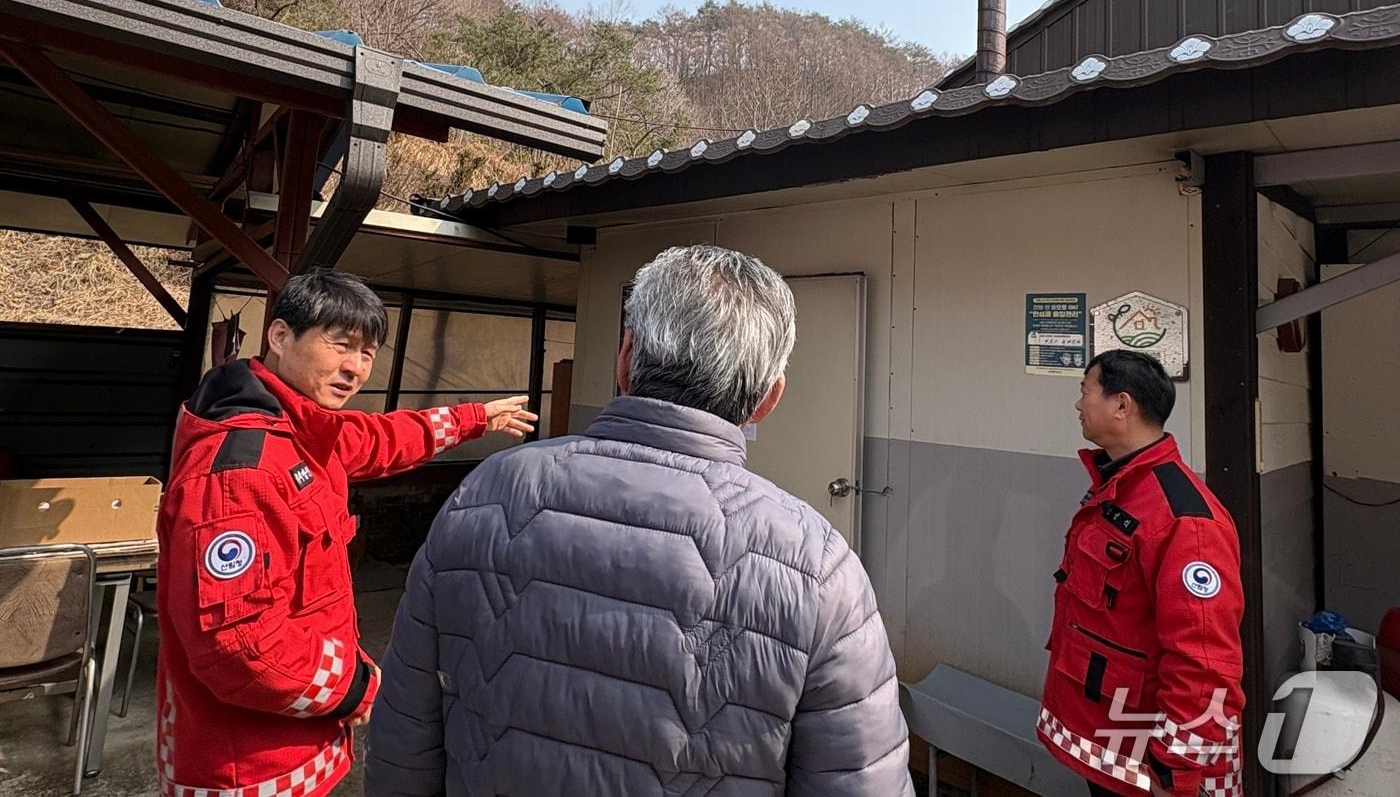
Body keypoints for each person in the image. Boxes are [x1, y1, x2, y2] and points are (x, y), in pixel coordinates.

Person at [367, 244, 913, 795]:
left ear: (624, 358)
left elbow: (405, 732)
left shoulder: (487, 491)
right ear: (768, 400)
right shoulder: (819, 566)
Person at [155, 269, 536, 797]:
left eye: (368, 353)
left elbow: (380, 438)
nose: (355, 368)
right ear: (281, 335)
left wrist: (474, 418)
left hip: (303, 745)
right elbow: (238, 647)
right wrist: (356, 687)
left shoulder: (300, 429)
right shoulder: (242, 471)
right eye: (341, 345)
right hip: (248, 768)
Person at [1038, 349, 1245, 797]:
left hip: (1151, 762)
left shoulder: (1185, 521)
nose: (1078, 404)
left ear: (1122, 405)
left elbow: (1204, 663)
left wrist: (1177, 771)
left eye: (1085, 390)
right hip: (1111, 740)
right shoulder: (1119, 488)